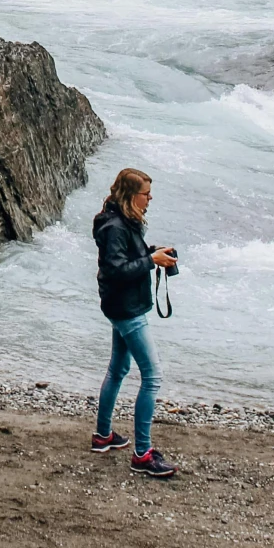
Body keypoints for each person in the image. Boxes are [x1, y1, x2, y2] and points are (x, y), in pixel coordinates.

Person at [90, 165, 178, 479]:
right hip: (126, 309)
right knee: (152, 376)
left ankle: (103, 437)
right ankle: (142, 454)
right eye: (146, 193)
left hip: (121, 305)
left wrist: (153, 253)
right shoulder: (115, 226)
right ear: (131, 195)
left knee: (118, 369)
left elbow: (126, 258)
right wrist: (150, 261)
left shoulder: (124, 221)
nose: (150, 198)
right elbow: (115, 269)